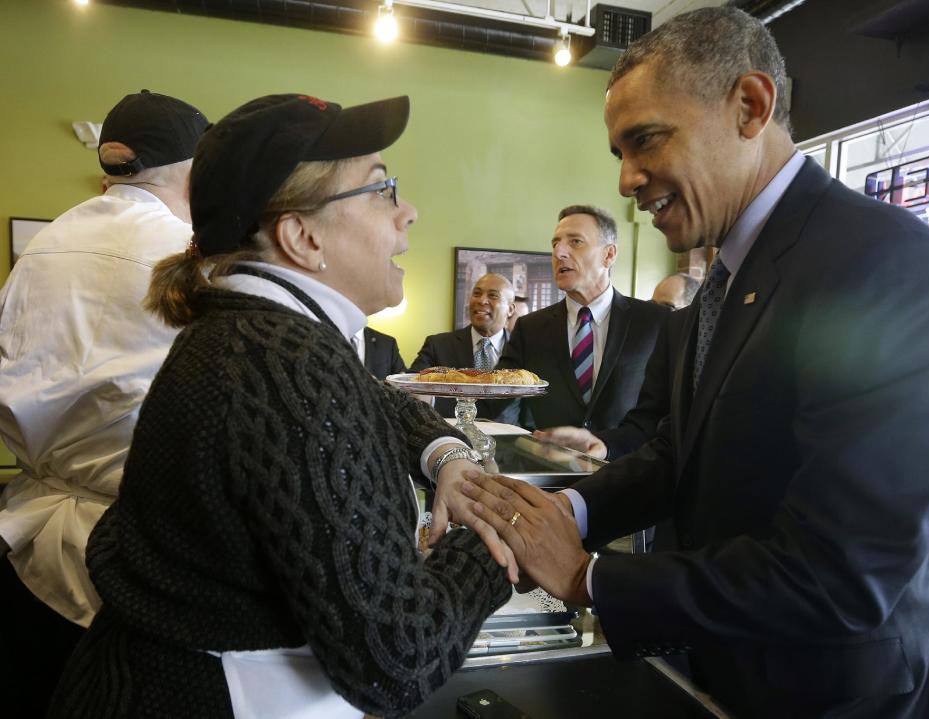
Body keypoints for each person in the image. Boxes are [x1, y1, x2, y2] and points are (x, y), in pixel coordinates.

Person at [460, 7, 929, 719]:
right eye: (619, 155)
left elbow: (842, 574)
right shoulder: (720, 282)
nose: (629, 180)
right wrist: (563, 509)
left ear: (750, 107)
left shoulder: (881, 263)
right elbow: (679, 457)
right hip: (728, 670)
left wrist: (587, 575)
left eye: (647, 141)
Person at [50, 93, 513, 719]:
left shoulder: (257, 336)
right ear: (301, 236)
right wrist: (494, 537)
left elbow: (369, 396)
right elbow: (399, 660)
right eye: (382, 190)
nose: (409, 213)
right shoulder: (284, 363)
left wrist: (446, 455)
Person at [0, 89, 208, 716]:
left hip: (27, 549)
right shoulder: (188, 258)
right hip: (138, 563)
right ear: (195, 172)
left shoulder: (41, 250)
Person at [493, 205, 668, 431]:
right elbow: (498, 401)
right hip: (549, 463)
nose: (559, 253)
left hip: (628, 463)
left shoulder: (655, 322)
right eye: (555, 244)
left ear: (609, 254)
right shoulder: (530, 328)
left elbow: (666, 410)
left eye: (575, 242)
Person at [410, 272, 515, 416]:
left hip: (511, 436)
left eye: (493, 295)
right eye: (476, 294)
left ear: (510, 309)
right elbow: (412, 388)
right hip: (452, 435)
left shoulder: (522, 349)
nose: (482, 300)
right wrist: (432, 400)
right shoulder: (438, 345)